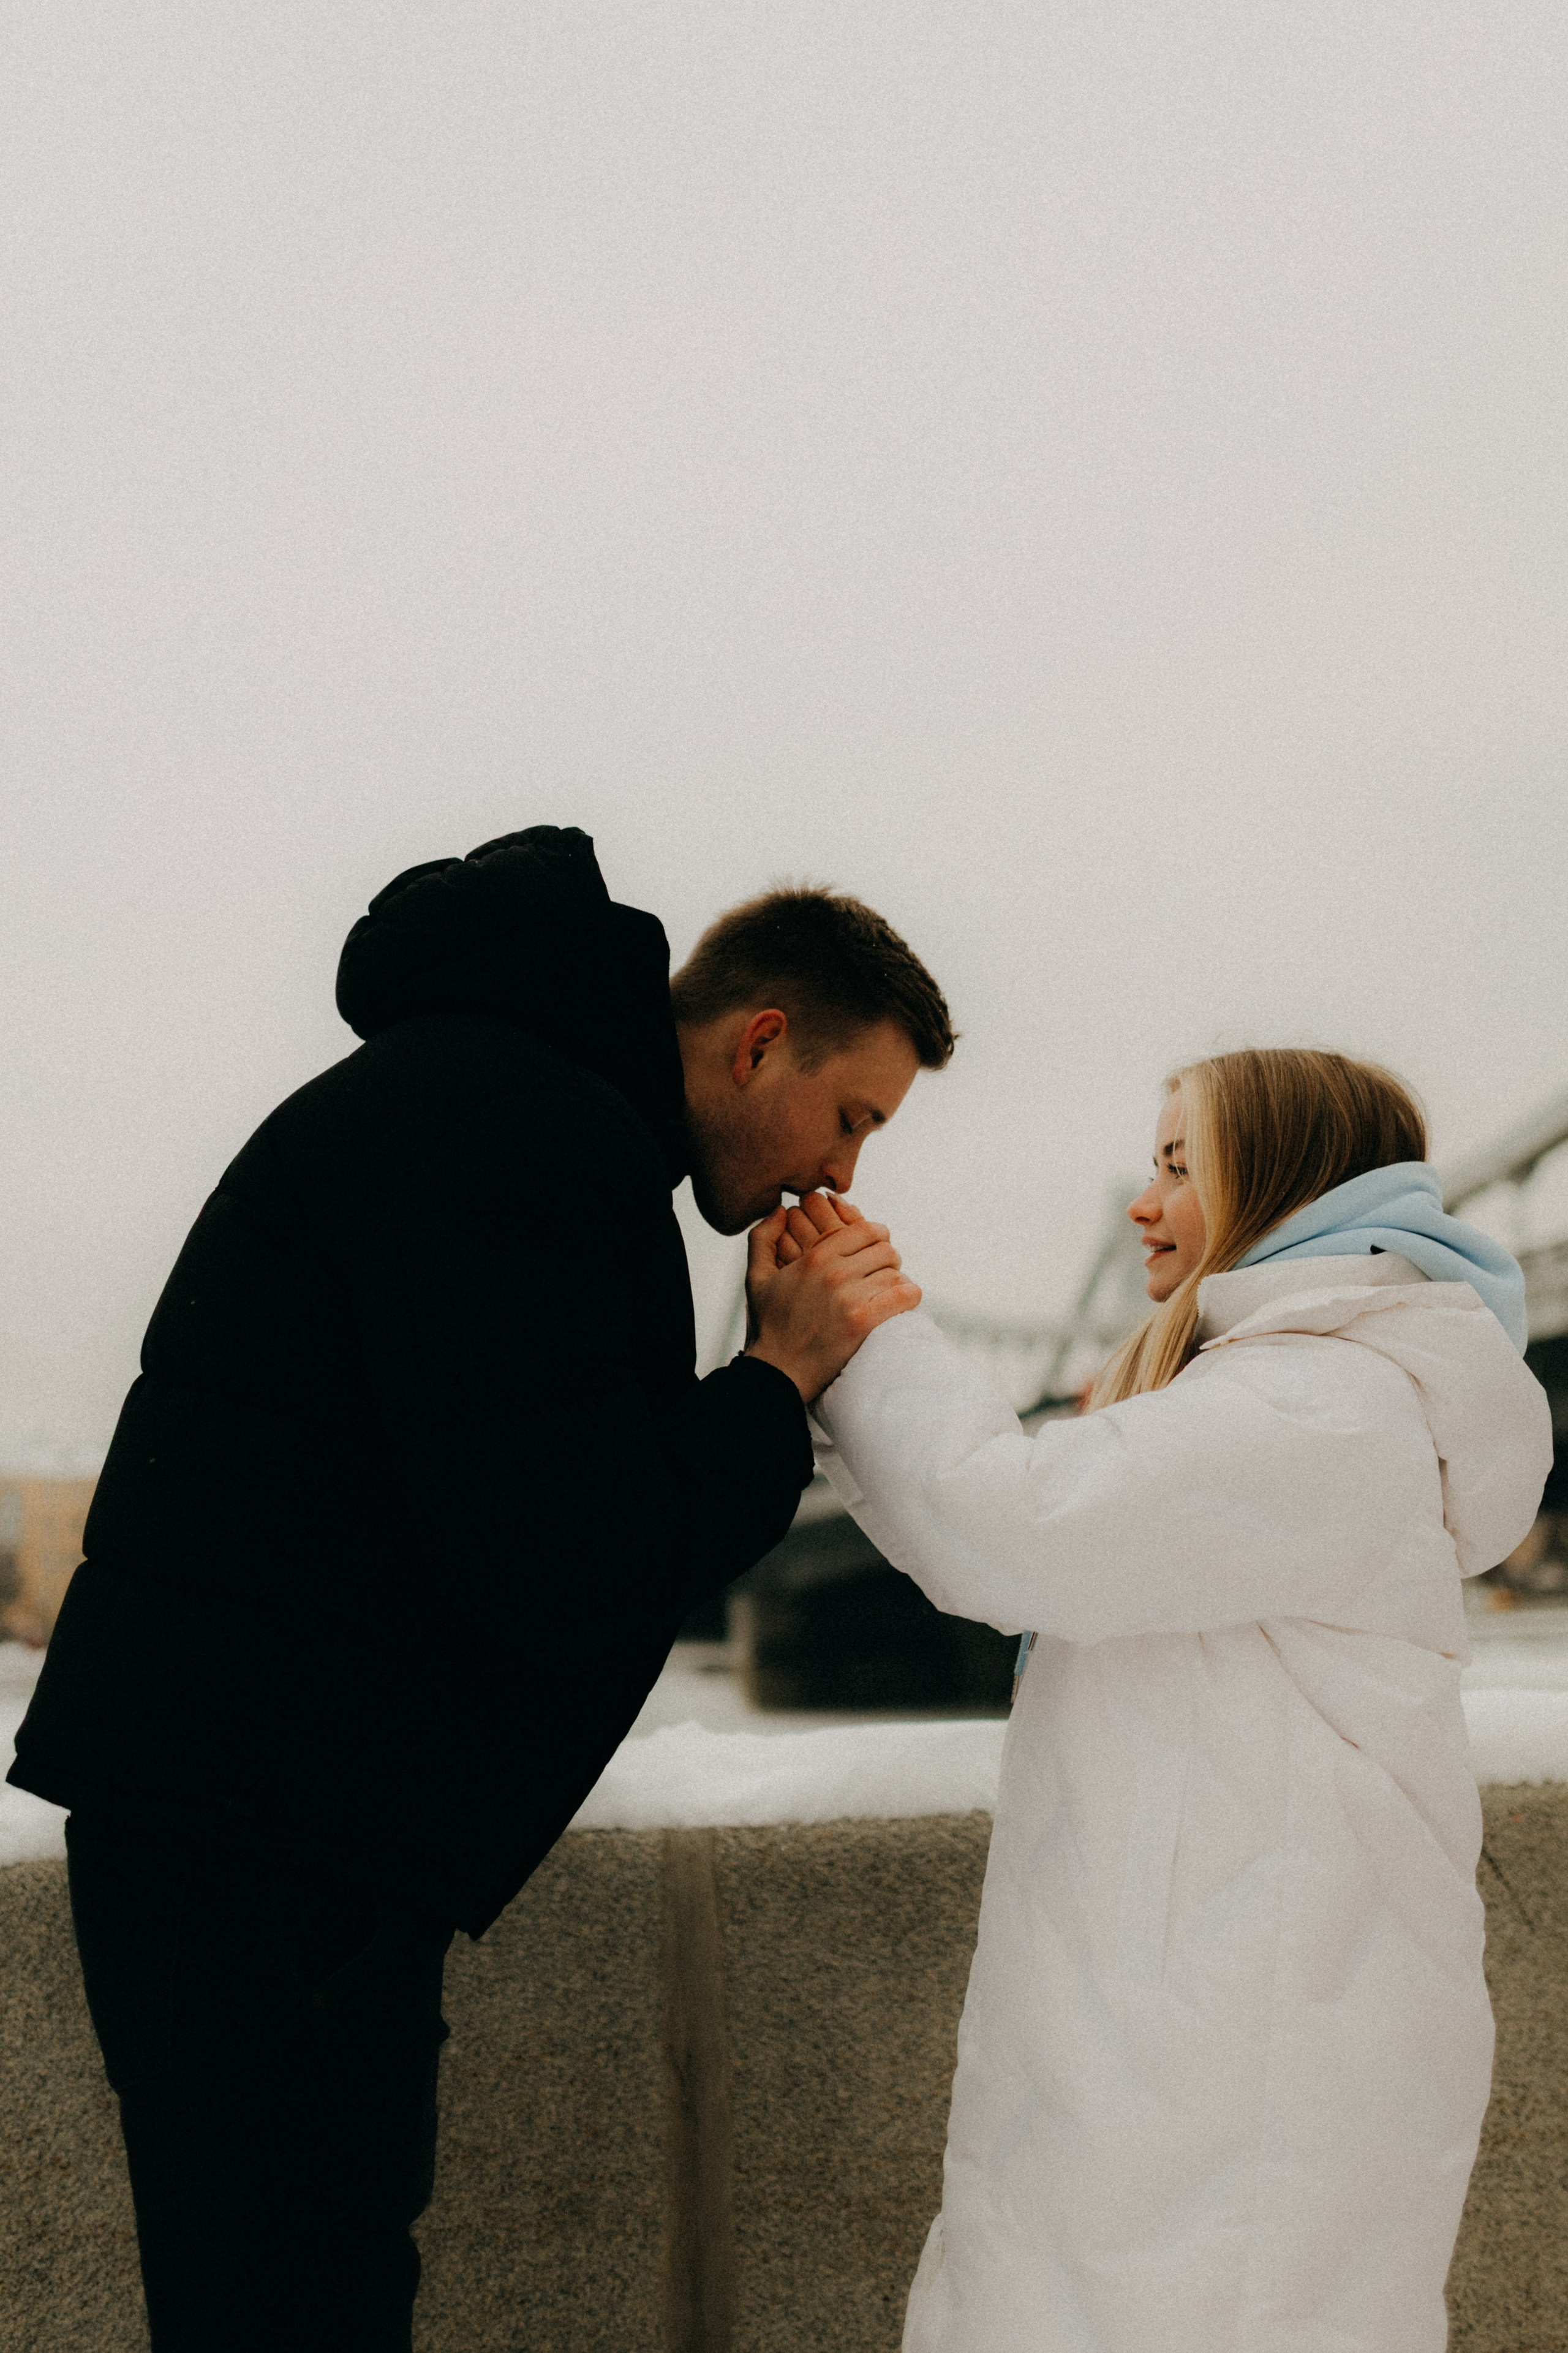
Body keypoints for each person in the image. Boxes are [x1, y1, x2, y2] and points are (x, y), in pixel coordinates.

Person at [7, 824, 943, 2352]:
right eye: (850, 1118)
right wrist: (774, 1382)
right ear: (760, 1041)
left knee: (267, 2297)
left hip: (251, 1819)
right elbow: (564, 1552)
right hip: (273, 1842)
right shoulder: (534, 1140)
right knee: (300, 2306)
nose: (841, 1169)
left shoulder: (496, 1098)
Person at [775, 1048, 1553, 2353]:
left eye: (1179, 1166)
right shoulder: (1296, 1393)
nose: (1141, 1203)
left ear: (1283, 1182)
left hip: (1231, 2094)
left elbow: (1012, 1525)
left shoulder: (1318, 1406)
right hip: (1213, 2064)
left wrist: (860, 1330)